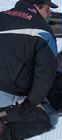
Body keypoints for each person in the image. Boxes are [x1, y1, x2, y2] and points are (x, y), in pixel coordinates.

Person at [0, 0, 58, 139]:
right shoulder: (43, 30)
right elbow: (45, 75)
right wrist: (31, 103)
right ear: (36, 7)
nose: (49, 14)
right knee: (42, 120)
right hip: (5, 94)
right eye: (47, 10)